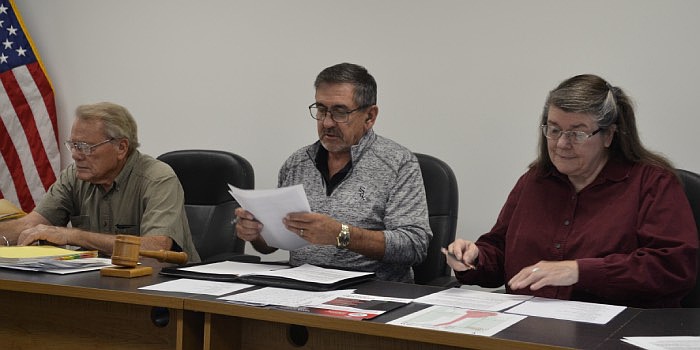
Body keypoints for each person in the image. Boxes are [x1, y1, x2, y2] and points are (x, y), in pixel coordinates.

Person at [445, 74, 698, 308]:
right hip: (530, 326)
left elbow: (673, 267)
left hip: (615, 329)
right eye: (554, 130)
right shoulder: (534, 181)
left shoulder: (653, 183)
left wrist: (578, 271)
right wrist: (475, 258)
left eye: (577, 133)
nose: (561, 144)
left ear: (608, 135)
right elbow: (500, 253)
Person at [234, 63, 432, 282]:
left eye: (340, 112)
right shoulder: (297, 163)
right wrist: (256, 234)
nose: (327, 122)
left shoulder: (398, 164)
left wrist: (342, 235)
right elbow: (271, 245)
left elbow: (414, 246)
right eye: (321, 110)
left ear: (370, 116)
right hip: (300, 290)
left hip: (371, 294)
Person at [0, 102, 201, 262]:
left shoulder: (157, 178)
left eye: (86, 147)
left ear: (121, 147)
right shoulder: (73, 177)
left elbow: (156, 248)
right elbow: (30, 225)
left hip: (166, 290)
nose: (76, 155)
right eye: (74, 145)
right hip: (100, 286)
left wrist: (72, 236)